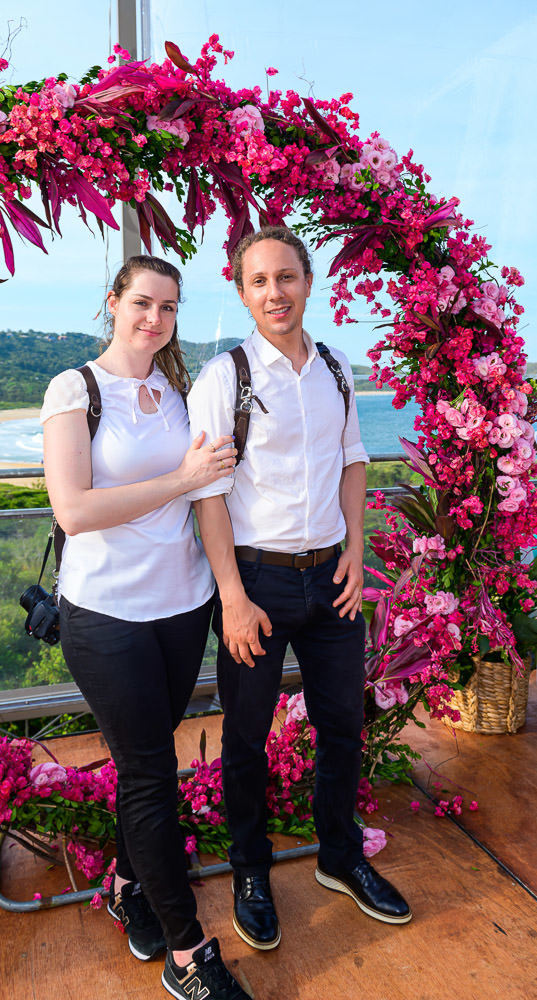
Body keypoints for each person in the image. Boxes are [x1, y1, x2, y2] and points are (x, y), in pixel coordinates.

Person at [187, 227, 411, 952]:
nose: (274, 292)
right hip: (256, 582)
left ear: (307, 282)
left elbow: (353, 462)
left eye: (285, 277)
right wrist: (231, 594)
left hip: (331, 579)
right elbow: (208, 493)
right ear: (244, 293)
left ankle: (340, 857)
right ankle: (251, 871)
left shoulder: (337, 369)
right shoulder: (226, 377)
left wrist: (355, 547)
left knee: (342, 726)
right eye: (258, 281)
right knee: (246, 739)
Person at [41, 255, 252, 1000]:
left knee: (149, 761)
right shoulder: (75, 388)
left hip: (182, 606)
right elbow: (75, 511)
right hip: (106, 615)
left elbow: (211, 492)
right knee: (149, 775)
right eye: (141, 303)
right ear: (112, 303)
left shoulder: (178, 389)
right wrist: (181, 481)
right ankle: (188, 952)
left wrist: (227, 586)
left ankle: (129, 883)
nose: (154, 318)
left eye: (167, 306)